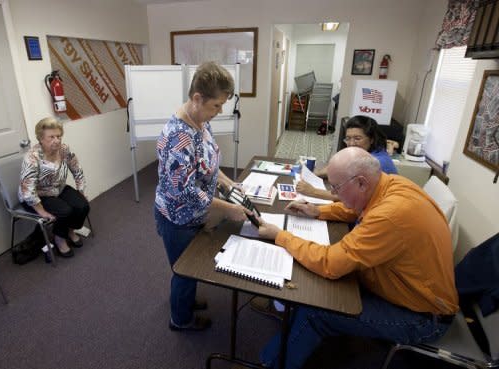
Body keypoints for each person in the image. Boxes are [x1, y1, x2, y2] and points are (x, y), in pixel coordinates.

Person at [256, 147, 458, 369]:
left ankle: (270, 364)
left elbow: (330, 264)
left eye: (336, 187)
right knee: (317, 293)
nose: (334, 193)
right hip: (404, 291)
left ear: (361, 182)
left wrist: (281, 236)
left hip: (422, 318)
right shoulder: (390, 184)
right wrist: (318, 211)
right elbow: (356, 207)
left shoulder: (391, 215)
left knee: (317, 310)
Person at [154, 62, 251, 332]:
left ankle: (185, 301)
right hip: (177, 218)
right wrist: (228, 208)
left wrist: (229, 183)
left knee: (192, 266)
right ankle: (180, 320)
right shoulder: (179, 137)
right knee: (184, 271)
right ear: (197, 98)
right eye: (216, 105)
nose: (220, 112)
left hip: (196, 213)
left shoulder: (199, 122)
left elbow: (207, 165)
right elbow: (183, 190)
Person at [19, 117, 89, 258]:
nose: (56, 140)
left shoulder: (63, 149)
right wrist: (41, 211)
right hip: (38, 195)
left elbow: (77, 169)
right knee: (65, 211)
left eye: (58, 136)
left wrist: (81, 190)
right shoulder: (32, 157)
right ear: (41, 138)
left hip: (58, 188)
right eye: (51, 137)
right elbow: (27, 191)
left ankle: (70, 230)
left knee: (83, 206)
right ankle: (59, 239)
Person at [296, 115, 397, 200]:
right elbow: (340, 168)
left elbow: (352, 196)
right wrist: (314, 175)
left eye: (357, 138)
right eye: (348, 138)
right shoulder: (363, 153)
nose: (352, 143)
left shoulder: (376, 163)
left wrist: (313, 192)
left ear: (371, 139)